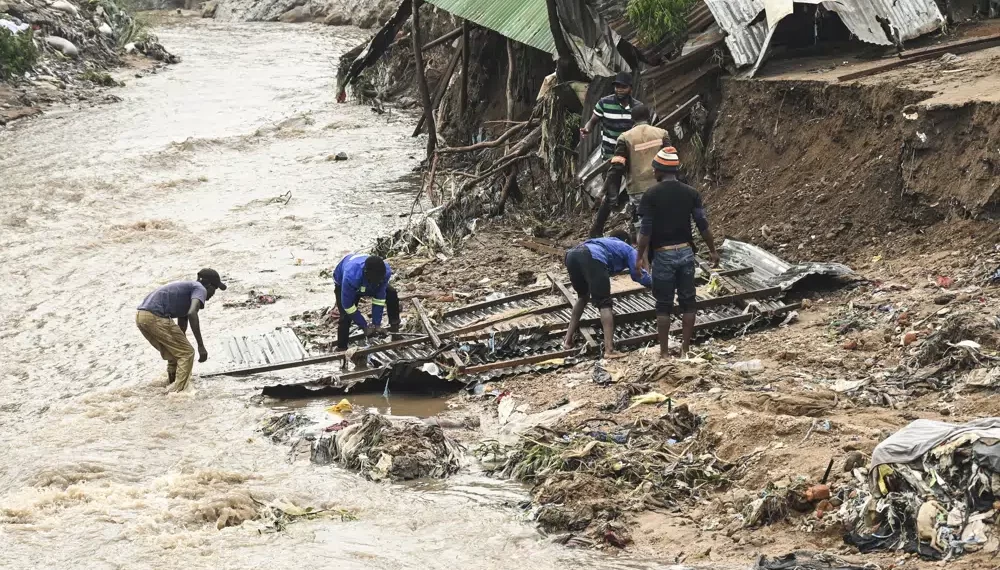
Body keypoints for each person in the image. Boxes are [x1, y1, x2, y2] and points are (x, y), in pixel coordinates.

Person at [636, 147, 720, 359]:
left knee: (663, 305)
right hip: (685, 253)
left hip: (662, 255)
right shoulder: (691, 193)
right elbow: (702, 224)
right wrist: (712, 250)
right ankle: (685, 350)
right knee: (688, 302)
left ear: (659, 171)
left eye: (654, 169)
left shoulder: (650, 195)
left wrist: (639, 256)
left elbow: (645, 231)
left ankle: (664, 352)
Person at [562, 230, 652, 359]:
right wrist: (654, 284)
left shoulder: (604, 242)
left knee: (583, 296)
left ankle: (567, 340)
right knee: (605, 303)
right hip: (591, 256)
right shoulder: (627, 248)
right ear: (626, 241)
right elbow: (637, 274)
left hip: (571, 255)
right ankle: (609, 350)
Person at [136, 269, 226, 392]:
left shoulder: (188, 289)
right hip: (155, 316)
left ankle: (171, 385)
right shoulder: (200, 288)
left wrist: (181, 338)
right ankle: (179, 393)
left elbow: (183, 319)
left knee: (176, 353)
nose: (213, 294)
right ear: (208, 285)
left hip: (142, 317)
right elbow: (192, 313)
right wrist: (201, 346)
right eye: (214, 289)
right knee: (187, 353)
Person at [589, 104, 670, 238]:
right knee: (664, 221)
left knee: (642, 226)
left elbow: (617, 168)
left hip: (638, 188)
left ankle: (644, 254)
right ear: (648, 117)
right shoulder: (662, 133)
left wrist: (606, 191)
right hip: (661, 186)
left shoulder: (625, 138)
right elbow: (671, 160)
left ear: (632, 119)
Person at [332, 253, 401, 350]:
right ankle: (342, 348)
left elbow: (379, 299)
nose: (378, 283)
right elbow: (348, 306)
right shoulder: (351, 276)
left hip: (367, 283)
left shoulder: (386, 272)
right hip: (345, 282)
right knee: (345, 316)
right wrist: (364, 326)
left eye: (380, 280)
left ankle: (395, 332)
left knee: (391, 293)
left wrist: (376, 324)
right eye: (376, 281)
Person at [580, 71, 646, 160]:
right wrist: (587, 129)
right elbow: (592, 122)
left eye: (624, 87)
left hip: (631, 157)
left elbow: (644, 131)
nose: (619, 90)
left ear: (631, 89)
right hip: (609, 158)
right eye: (617, 86)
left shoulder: (638, 107)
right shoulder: (604, 103)